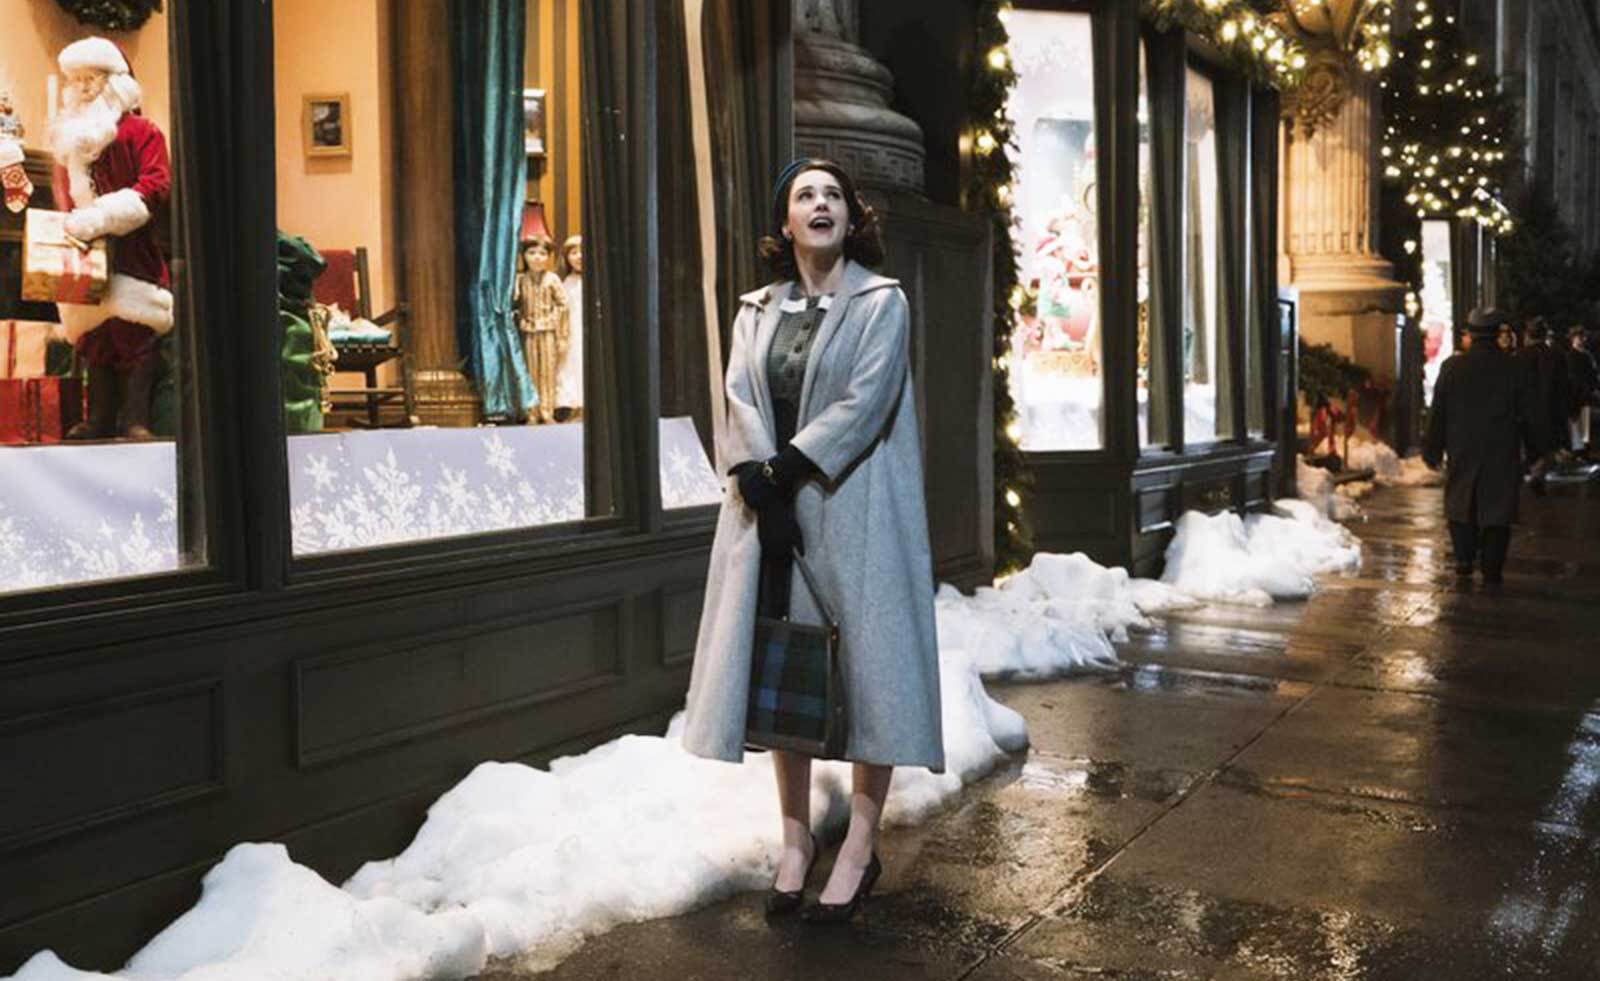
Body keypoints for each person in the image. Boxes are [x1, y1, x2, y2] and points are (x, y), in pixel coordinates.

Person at [681, 158, 943, 923]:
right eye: (805, 195)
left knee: (873, 674)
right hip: (774, 515)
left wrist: (790, 465)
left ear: (850, 217)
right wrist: (759, 475)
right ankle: (795, 842)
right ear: (785, 223)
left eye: (833, 195)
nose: (820, 204)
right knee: (782, 672)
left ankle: (859, 846)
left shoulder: (880, 303)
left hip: (852, 509)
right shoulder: (755, 309)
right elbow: (737, 393)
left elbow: (867, 400)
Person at [48, 37, 173, 440]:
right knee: (94, 338)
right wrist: (69, 225)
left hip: (132, 254)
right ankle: (100, 417)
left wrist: (102, 217)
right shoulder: (69, 143)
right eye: (77, 79)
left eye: (93, 78)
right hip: (83, 253)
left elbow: (155, 186)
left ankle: (136, 418)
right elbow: (62, 192)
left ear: (114, 82)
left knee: (133, 331)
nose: (84, 87)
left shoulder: (142, 132)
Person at [1424, 307, 1548, 585]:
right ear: (1496, 334)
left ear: (1470, 333)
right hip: (1501, 447)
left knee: (1461, 501)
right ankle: (1492, 567)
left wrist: (1432, 448)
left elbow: (1438, 412)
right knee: (1498, 507)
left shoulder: (1452, 367)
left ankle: (1464, 558)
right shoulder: (1514, 367)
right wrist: (1536, 450)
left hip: (1462, 446)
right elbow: (1529, 413)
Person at [511, 233, 568, 424]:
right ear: (524, 256)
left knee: (548, 371)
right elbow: (514, 302)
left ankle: (547, 411)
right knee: (530, 371)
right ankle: (531, 412)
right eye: (532, 253)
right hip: (528, 331)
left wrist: (561, 334)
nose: (537, 257)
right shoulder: (520, 279)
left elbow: (563, 305)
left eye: (542, 253)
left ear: (548, 257)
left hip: (548, 331)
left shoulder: (552, 279)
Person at [1516, 316, 1571, 463]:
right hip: (1554, 412)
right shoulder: (1557, 355)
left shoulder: (1520, 356)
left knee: (1533, 456)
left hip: (1528, 414)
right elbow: (1565, 386)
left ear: (1527, 335)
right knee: (1550, 456)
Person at [1565, 323, 1599, 456]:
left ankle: (1583, 452)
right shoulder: (1571, 357)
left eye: (1582, 337)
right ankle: (1580, 453)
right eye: (1578, 337)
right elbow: (1575, 378)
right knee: (1579, 428)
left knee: (1584, 429)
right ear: (1573, 338)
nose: (1581, 339)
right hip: (1578, 396)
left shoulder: (1587, 355)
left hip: (1586, 395)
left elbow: (1592, 375)